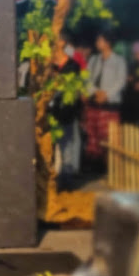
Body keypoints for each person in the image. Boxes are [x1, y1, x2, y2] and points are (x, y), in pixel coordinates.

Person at [84, 30, 127, 165]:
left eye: (100, 40)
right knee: (94, 136)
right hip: (94, 102)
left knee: (109, 136)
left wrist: (106, 94)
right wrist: (96, 92)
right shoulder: (93, 59)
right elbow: (87, 79)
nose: (97, 43)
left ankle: (112, 165)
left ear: (108, 43)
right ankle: (97, 165)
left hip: (110, 104)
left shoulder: (119, 60)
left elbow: (121, 81)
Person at [51, 32, 83, 186]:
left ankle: (67, 177)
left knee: (67, 144)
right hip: (52, 111)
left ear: (62, 43)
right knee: (56, 146)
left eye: (56, 40)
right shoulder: (48, 66)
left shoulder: (73, 66)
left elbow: (72, 89)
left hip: (67, 111)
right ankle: (58, 175)